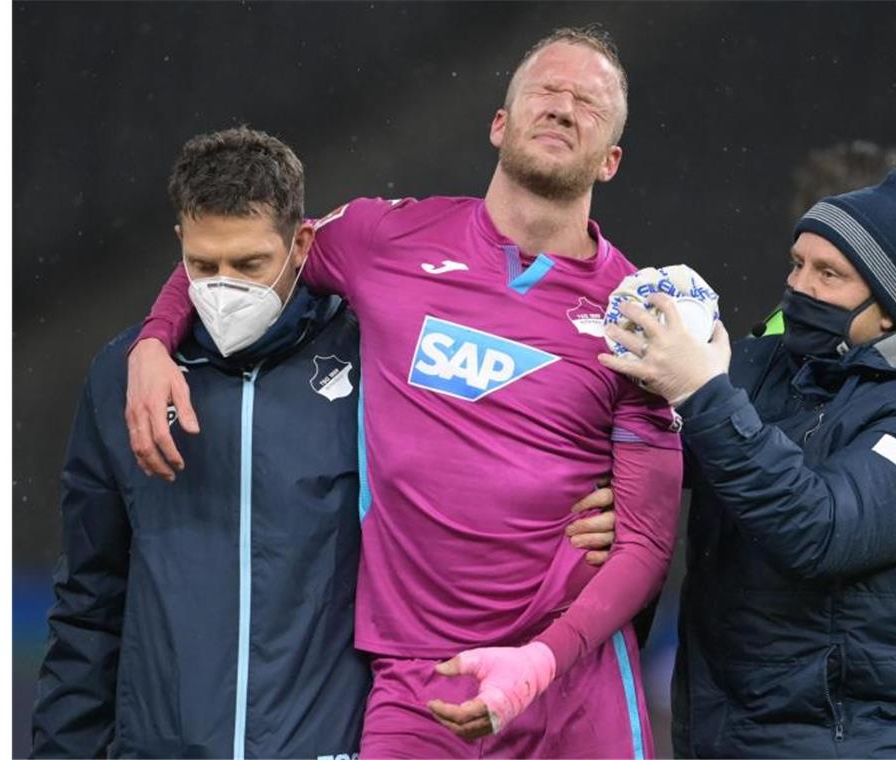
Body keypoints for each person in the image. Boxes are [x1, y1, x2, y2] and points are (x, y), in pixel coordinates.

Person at [125, 27, 683, 759]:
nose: (562, 106)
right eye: (545, 89)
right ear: (499, 123)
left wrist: (541, 660)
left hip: (569, 682)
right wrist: (154, 339)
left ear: (610, 160)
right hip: (420, 684)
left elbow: (645, 544)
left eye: (589, 101)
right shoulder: (384, 239)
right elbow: (246, 247)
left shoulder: (641, 314)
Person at [31, 126, 620, 759]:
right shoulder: (128, 378)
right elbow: (89, 602)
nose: (224, 288)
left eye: (251, 265)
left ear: (302, 243)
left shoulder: (377, 358)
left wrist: (589, 510)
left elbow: (483, 476)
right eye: (203, 266)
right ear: (180, 246)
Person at [601, 163, 896, 757]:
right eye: (798, 263)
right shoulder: (769, 363)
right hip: (730, 734)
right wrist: (612, 498)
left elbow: (818, 528)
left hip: (864, 742)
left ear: (890, 308)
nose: (802, 287)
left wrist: (701, 392)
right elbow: (664, 444)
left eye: (829, 273)